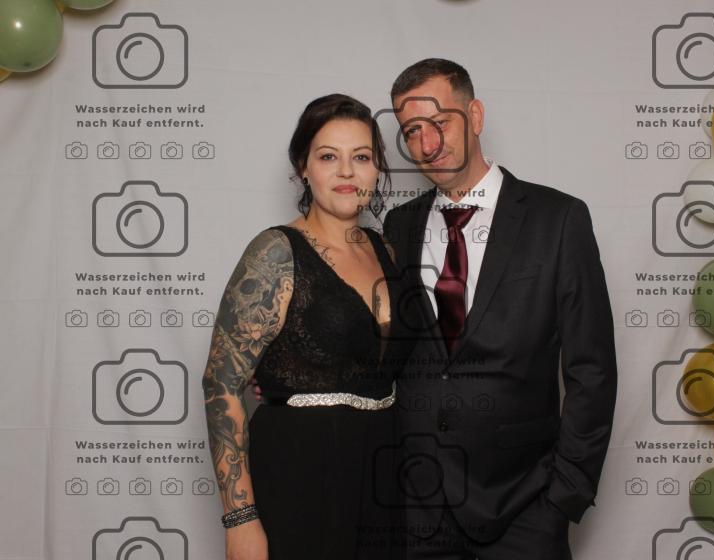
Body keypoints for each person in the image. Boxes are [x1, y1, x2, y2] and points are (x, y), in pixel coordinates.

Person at [254, 58, 618, 560]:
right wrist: (295, 373)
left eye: (440, 122)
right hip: (415, 505)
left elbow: (592, 371)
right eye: (412, 131)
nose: (428, 144)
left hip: (524, 503)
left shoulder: (557, 219)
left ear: (476, 116)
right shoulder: (398, 227)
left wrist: (564, 496)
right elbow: (381, 340)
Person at [201, 93, 417, 560]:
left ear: (378, 168)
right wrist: (240, 518)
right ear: (304, 167)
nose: (346, 172)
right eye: (328, 157)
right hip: (298, 472)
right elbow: (221, 383)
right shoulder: (275, 252)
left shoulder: (388, 252)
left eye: (361, 157)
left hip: (382, 474)